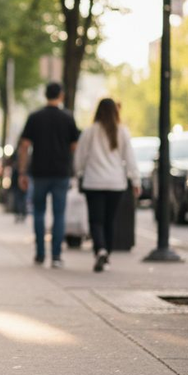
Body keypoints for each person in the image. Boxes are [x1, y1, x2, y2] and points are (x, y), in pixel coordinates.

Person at [17, 82, 81, 268]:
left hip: (40, 172)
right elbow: (75, 146)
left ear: (45, 95)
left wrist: (22, 171)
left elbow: (24, 146)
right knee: (59, 214)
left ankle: (39, 253)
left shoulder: (35, 117)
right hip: (61, 172)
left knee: (39, 212)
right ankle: (56, 256)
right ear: (61, 95)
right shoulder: (67, 117)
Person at [74, 99, 140, 272]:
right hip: (115, 183)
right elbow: (130, 158)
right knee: (109, 221)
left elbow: (80, 157)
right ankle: (107, 254)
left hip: (93, 182)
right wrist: (135, 180)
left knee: (96, 220)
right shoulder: (122, 131)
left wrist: (79, 172)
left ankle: (100, 250)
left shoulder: (90, 131)